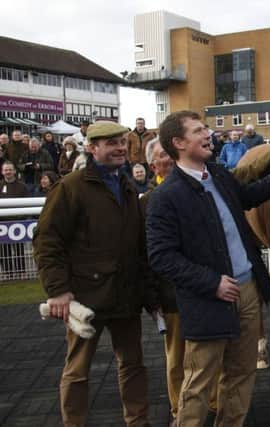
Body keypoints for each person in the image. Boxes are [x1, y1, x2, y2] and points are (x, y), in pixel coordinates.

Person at [145, 110, 270, 427]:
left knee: (241, 377)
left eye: (206, 129)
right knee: (198, 384)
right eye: (199, 130)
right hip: (208, 299)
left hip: (248, 291)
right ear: (178, 143)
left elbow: (249, 196)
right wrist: (211, 282)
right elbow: (161, 256)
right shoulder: (165, 197)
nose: (208, 134)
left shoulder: (218, 174)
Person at [33, 121, 151, 426]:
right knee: (78, 370)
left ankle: (138, 422)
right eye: (111, 143)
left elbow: (138, 243)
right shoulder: (70, 187)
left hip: (125, 293)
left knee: (133, 366)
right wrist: (57, 289)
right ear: (91, 147)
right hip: (87, 297)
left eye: (122, 142)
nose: (120, 148)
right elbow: (47, 240)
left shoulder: (126, 184)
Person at [0, 161, 29, 280]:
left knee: (19, 249)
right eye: (6, 170)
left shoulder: (22, 186)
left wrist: (22, 218)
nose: (8, 172)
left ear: (14, 171)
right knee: (3, 250)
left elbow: (27, 204)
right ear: (2, 172)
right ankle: (8, 273)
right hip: (2, 223)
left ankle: (22, 271)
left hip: (18, 222)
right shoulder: (0, 185)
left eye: (10, 170)